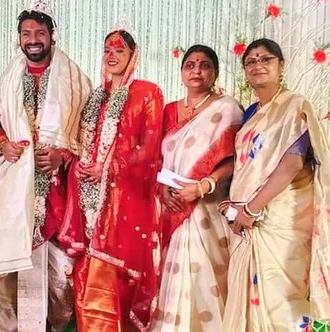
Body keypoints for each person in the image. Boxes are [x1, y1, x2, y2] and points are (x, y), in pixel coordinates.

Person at [0, 0, 92, 332]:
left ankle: (54, 325)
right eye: (26, 33)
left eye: (39, 32)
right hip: (13, 185)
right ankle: (12, 326)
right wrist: (4, 144)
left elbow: (89, 134)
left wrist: (63, 155)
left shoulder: (76, 81)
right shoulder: (7, 79)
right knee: (7, 269)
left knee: (62, 276)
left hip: (59, 190)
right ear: (18, 38)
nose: (33, 39)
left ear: (52, 36)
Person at [58, 21, 164, 331]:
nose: (111, 55)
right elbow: (79, 141)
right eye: (107, 50)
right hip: (89, 201)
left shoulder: (147, 92)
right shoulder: (95, 97)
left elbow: (150, 147)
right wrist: (78, 163)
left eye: (119, 50)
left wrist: (107, 167)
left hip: (124, 202)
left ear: (133, 55)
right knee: (86, 273)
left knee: (116, 277)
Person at [222, 38, 330, 330]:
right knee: (244, 297)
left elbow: (292, 164)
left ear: (281, 66)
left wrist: (253, 208)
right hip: (245, 220)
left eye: (265, 59)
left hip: (279, 220)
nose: (258, 65)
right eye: (251, 61)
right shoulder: (249, 114)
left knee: (280, 299)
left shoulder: (295, 105)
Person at [150, 45, 243, 331]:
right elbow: (155, 159)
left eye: (204, 65)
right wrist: (162, 190)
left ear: (214, 72)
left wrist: (203, 186)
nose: (197, 71)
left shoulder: (227, 109)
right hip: (172, 207)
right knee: (172, 276)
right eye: (190, 65)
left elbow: (235, 159)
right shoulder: (168, 111)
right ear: (181, 72)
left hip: (207, 209)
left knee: (205, 278)